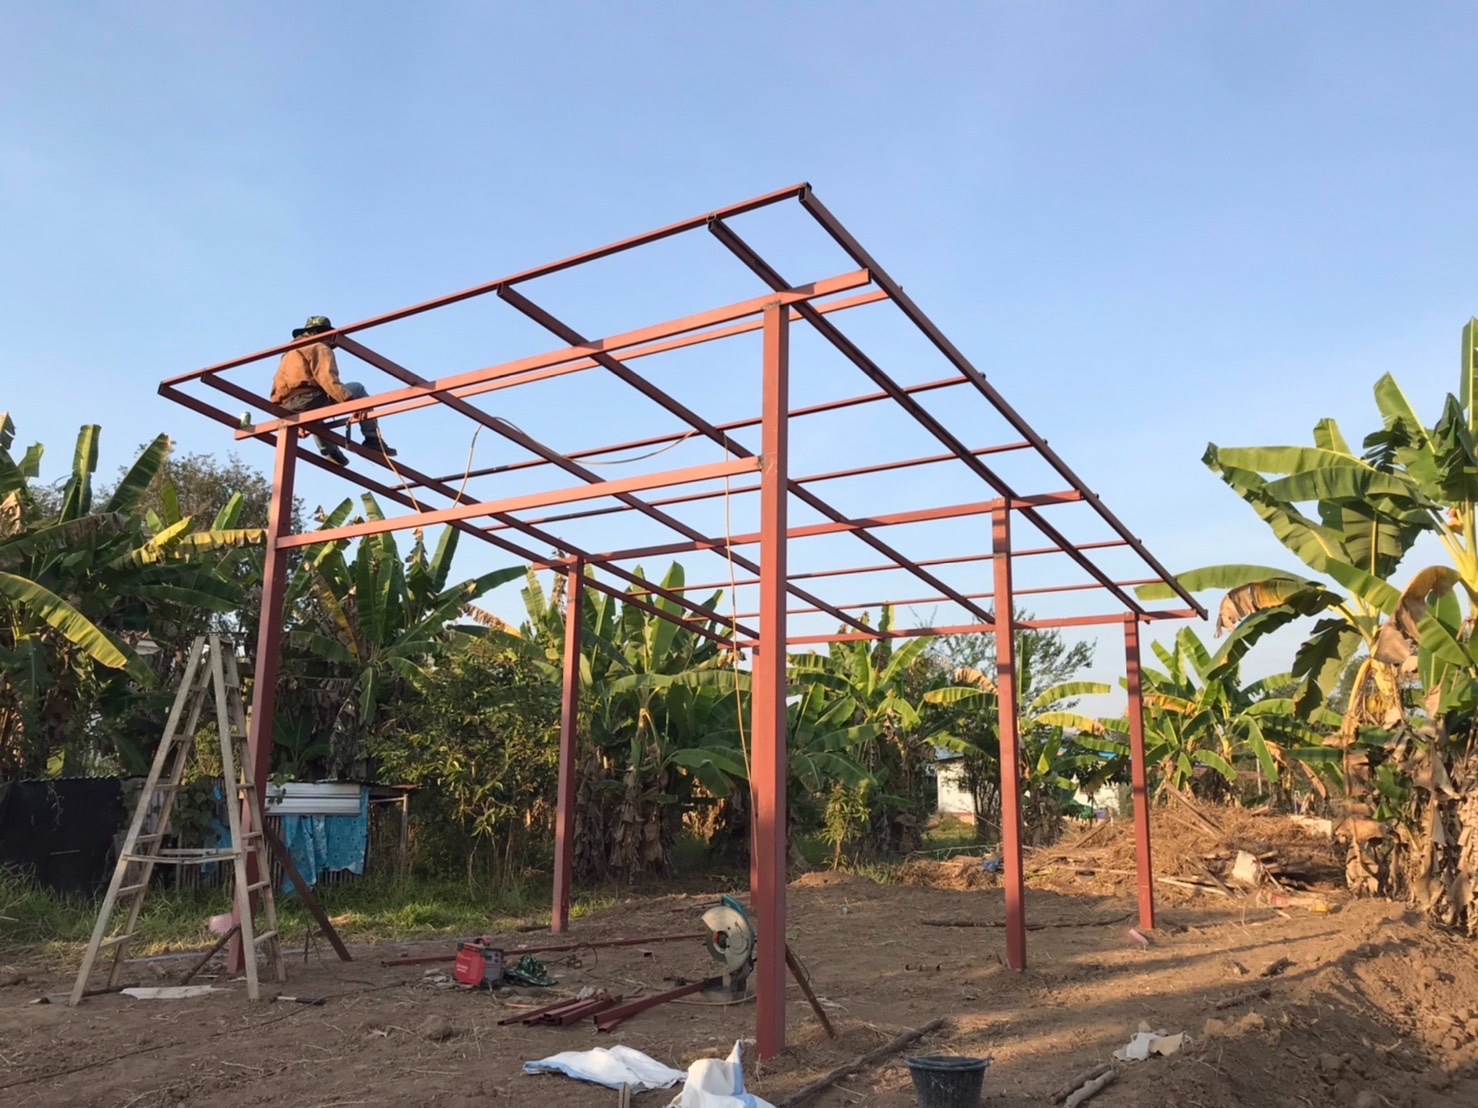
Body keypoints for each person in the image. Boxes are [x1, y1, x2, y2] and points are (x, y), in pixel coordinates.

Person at [270, 315, 396, 465]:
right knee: (357, 389)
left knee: (316, 411)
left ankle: (330, 451)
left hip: (287, 405)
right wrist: (351, 402)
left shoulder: (289, 353)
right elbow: (327, 380)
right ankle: (373, 439)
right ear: (323, 333)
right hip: (308, 399)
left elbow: (277, 386)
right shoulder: (318, 347)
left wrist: (286, 414)